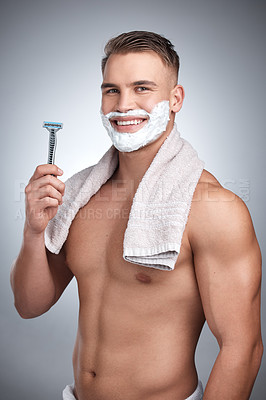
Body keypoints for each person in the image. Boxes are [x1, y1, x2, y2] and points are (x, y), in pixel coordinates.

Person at [10, 31, 263, 400]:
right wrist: (34, 231)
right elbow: (28, 306)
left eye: (142, 88)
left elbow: (243, 348)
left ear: (175, 99)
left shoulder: (214, 209)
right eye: (111, 90)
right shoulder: (80, 197)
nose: (123, 104)